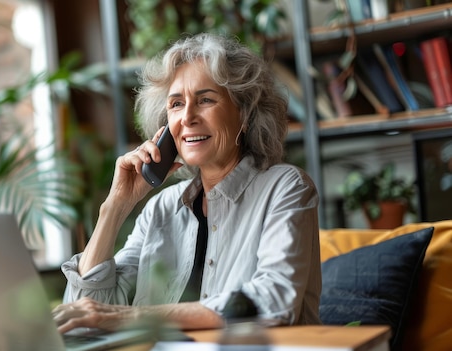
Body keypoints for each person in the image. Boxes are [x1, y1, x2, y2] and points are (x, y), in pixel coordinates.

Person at [52, 33, 321, 333]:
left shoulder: (286, 188)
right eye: (176, 104)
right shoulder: (161, 209)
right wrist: (115, 206)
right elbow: (81, 321)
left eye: (205, 99)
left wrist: (130, 317)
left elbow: (275, 300)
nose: (188, 117)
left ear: (244, 114)